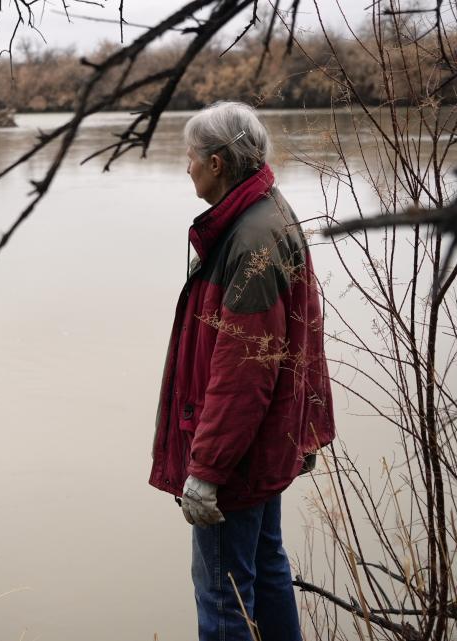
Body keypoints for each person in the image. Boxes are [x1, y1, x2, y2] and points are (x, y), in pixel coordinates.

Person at [148, 101, 336, 641]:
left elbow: (242, 376)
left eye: (190, 157)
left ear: (218, 163)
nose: (186, 167)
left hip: (237, 456)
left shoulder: (251, 238)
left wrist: (206, 472)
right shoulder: (262, 216)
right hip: (262, 442)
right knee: (266, 571)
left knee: (223, 596)